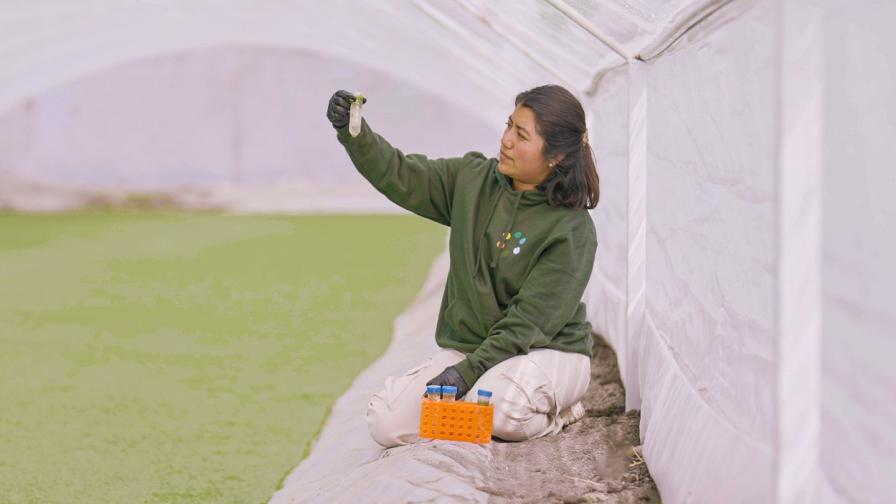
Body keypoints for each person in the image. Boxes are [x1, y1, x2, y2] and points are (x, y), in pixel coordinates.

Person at [326, 84, 599, 447]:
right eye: (508, 126)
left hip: (546, 352)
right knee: (388, 423)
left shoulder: (571, 230)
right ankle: (475, 417)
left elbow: (526, 325)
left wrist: (466, 373)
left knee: (499, 409)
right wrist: (354, 133)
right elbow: (402, 174)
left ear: (556, 156)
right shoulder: (472, 181)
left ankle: (560, 413)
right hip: (474, 351)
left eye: (521, 135)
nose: (506, 140)